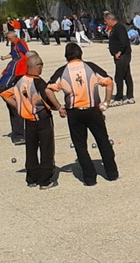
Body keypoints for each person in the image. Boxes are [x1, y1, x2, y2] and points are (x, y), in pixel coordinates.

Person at [47, 42, 118, 186]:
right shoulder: (90, 67)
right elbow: (109, 82)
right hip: (93, 110)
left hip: (74, 112)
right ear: (81, 54)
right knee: (103, 141)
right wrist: (106, 102)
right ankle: (112, 173)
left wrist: (59, 106)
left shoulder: (62, 71)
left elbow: (49, 89)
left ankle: (90, 178)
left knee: (80, 145)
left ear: (66, 56)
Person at [0, 51, 61, 188]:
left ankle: (31, 178)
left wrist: (19, 106)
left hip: (28, 120)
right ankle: (45, 180)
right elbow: (48, 100)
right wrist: (59, 107)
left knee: (31, 148)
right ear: (38, 66)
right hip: (42, 119)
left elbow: (4, 93)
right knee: (46, 149)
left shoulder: (19, 80)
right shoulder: (39, 83)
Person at [0, 33, 30, 145]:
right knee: (18, 110)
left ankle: (19, 134)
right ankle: (19, 136)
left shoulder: (20, 45)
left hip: (4, 86)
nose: (8, 40)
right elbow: (21, 79)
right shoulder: (21, 64)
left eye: (8, 38)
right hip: (8, 88)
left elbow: (26, 52)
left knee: (16, 111)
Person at [106, 11, 134, 103]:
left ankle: (119, 97)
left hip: (123, 56)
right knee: (126, 75)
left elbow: (124, 41)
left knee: (119, 76)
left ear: (110, 20)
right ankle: (130, 96)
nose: (105, 23)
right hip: (121, 55)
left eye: (106, 21)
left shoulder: (119, 28)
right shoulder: (114, 28)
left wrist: (119, 52)